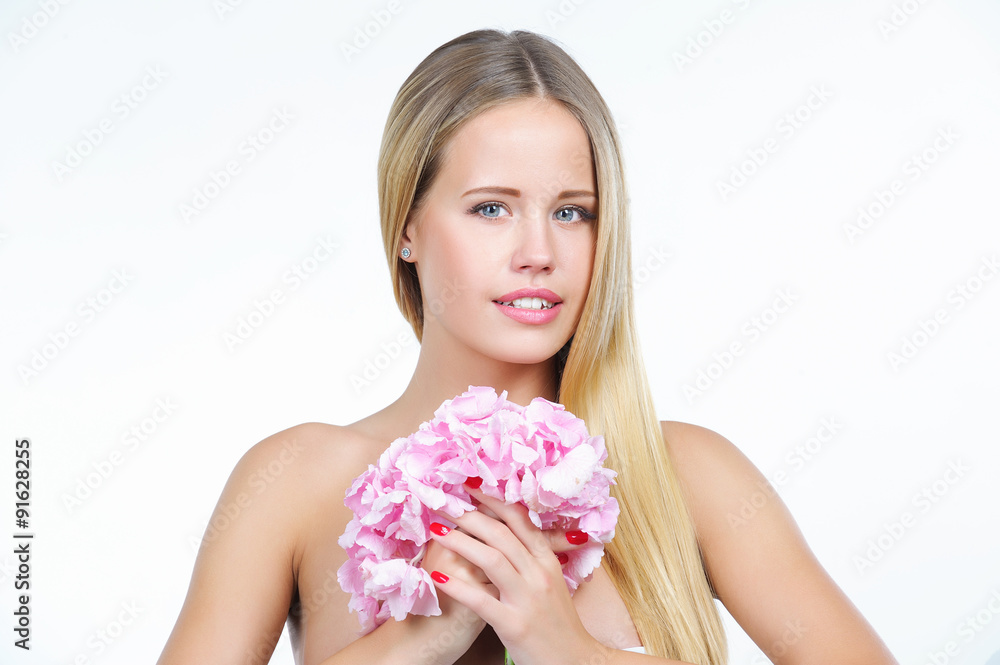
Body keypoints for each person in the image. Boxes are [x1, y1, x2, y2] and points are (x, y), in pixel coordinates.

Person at [157, 28, 899, 664]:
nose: (539, 251)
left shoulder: (690, 477)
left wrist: (571, 650)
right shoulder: (293, 480)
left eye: (573, 212)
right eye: (490, 208)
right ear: (407, 228)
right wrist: (413, 639)